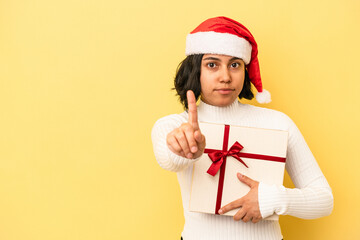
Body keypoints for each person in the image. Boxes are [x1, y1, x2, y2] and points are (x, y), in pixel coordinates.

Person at [151, 16, 333, 240]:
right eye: (212, 64)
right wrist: (184, 149)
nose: (225, 77)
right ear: (195, 70)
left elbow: (324, 200)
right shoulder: (173, 125)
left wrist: (271, 199)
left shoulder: (278, 123)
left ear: (245, 70)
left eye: (235, 65)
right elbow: (167, 157)